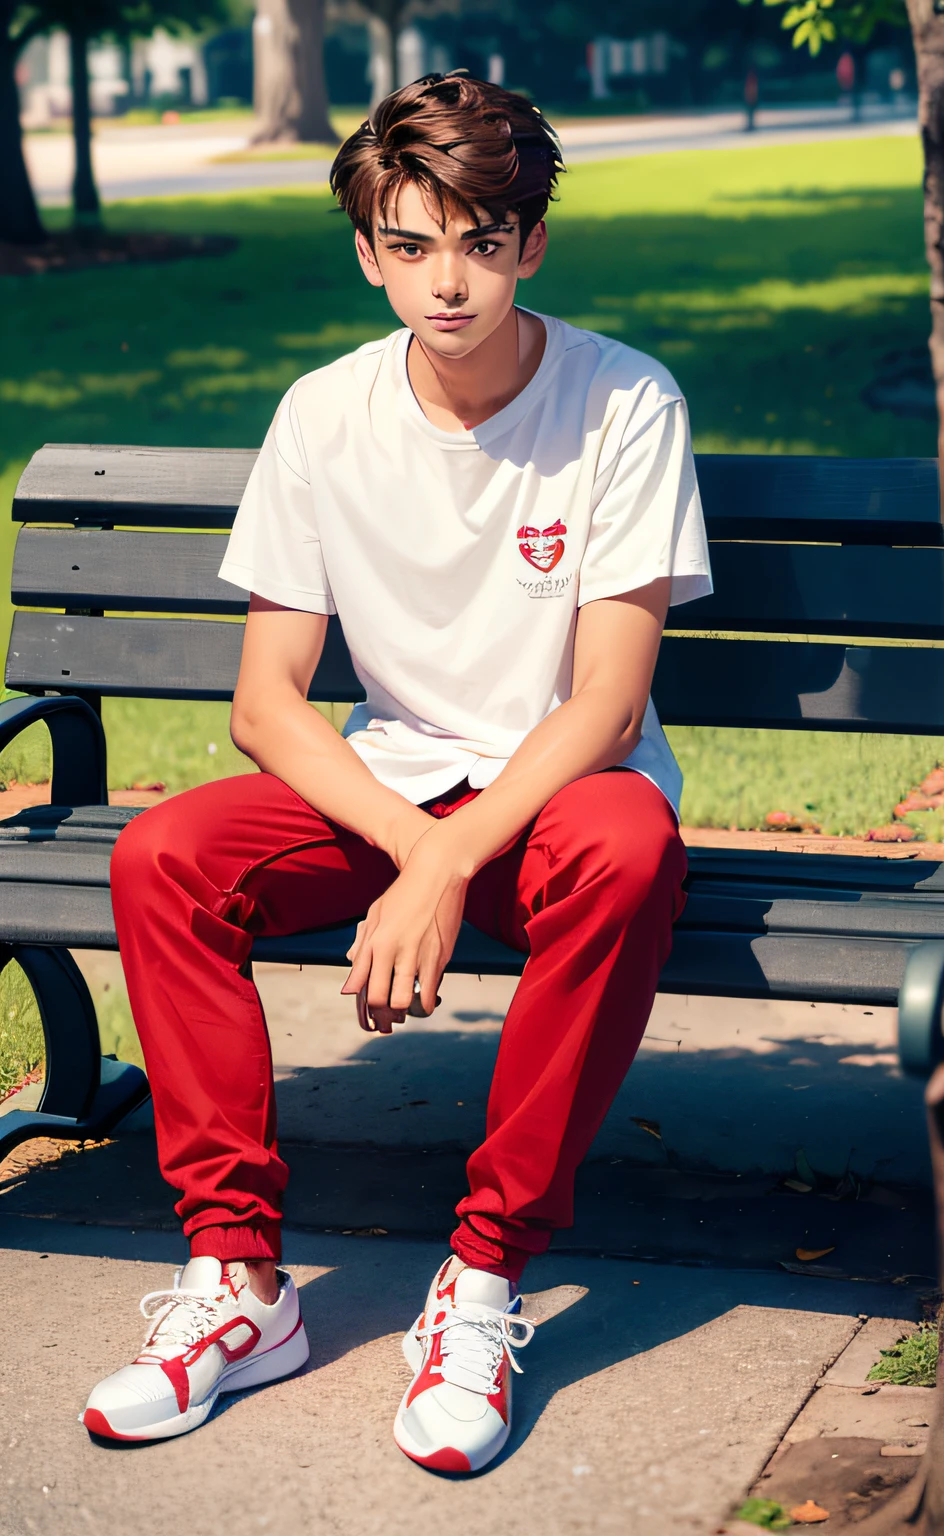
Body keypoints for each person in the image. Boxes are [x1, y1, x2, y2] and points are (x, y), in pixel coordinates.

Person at [82, 72, 712, 1471]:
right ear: (368, 247)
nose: (450, 280)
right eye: (414, 244)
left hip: (554, 804)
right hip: (395, 788)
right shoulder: (322, 414)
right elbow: (267, 705)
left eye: (484, 242)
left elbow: (608, 708)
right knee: (161, 856)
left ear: (531, 243)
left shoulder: (624, 402)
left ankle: (483, 1282)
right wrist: (414, 848)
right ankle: (240, 1288)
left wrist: (446, 862)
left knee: (628, 849)